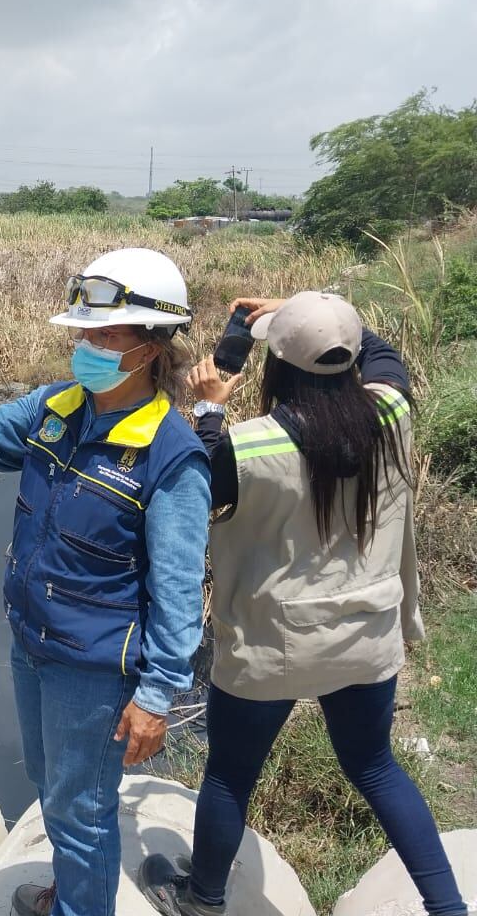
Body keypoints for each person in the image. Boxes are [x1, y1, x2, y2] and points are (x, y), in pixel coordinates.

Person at [0, 248, 211, 916]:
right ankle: (71, 893)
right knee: (52, 786)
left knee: (82, 809)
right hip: (33, 643)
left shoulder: (170, 455)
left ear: (151, 349)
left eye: (107, 335)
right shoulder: (53, 408)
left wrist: (156, 697)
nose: (88, 347)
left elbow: (180, 591)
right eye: (84, 333)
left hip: (92, 669)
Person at [139, 293, 468, 916]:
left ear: (277, 369)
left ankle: (203, 898)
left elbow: (195, 481)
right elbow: (381, 354)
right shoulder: (392, 412)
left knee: (230, 775)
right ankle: (449, 907)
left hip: (272, 647)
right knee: (375, 768)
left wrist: (208, 408)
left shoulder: (246, 447)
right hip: (367, 636)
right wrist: (313, 314)